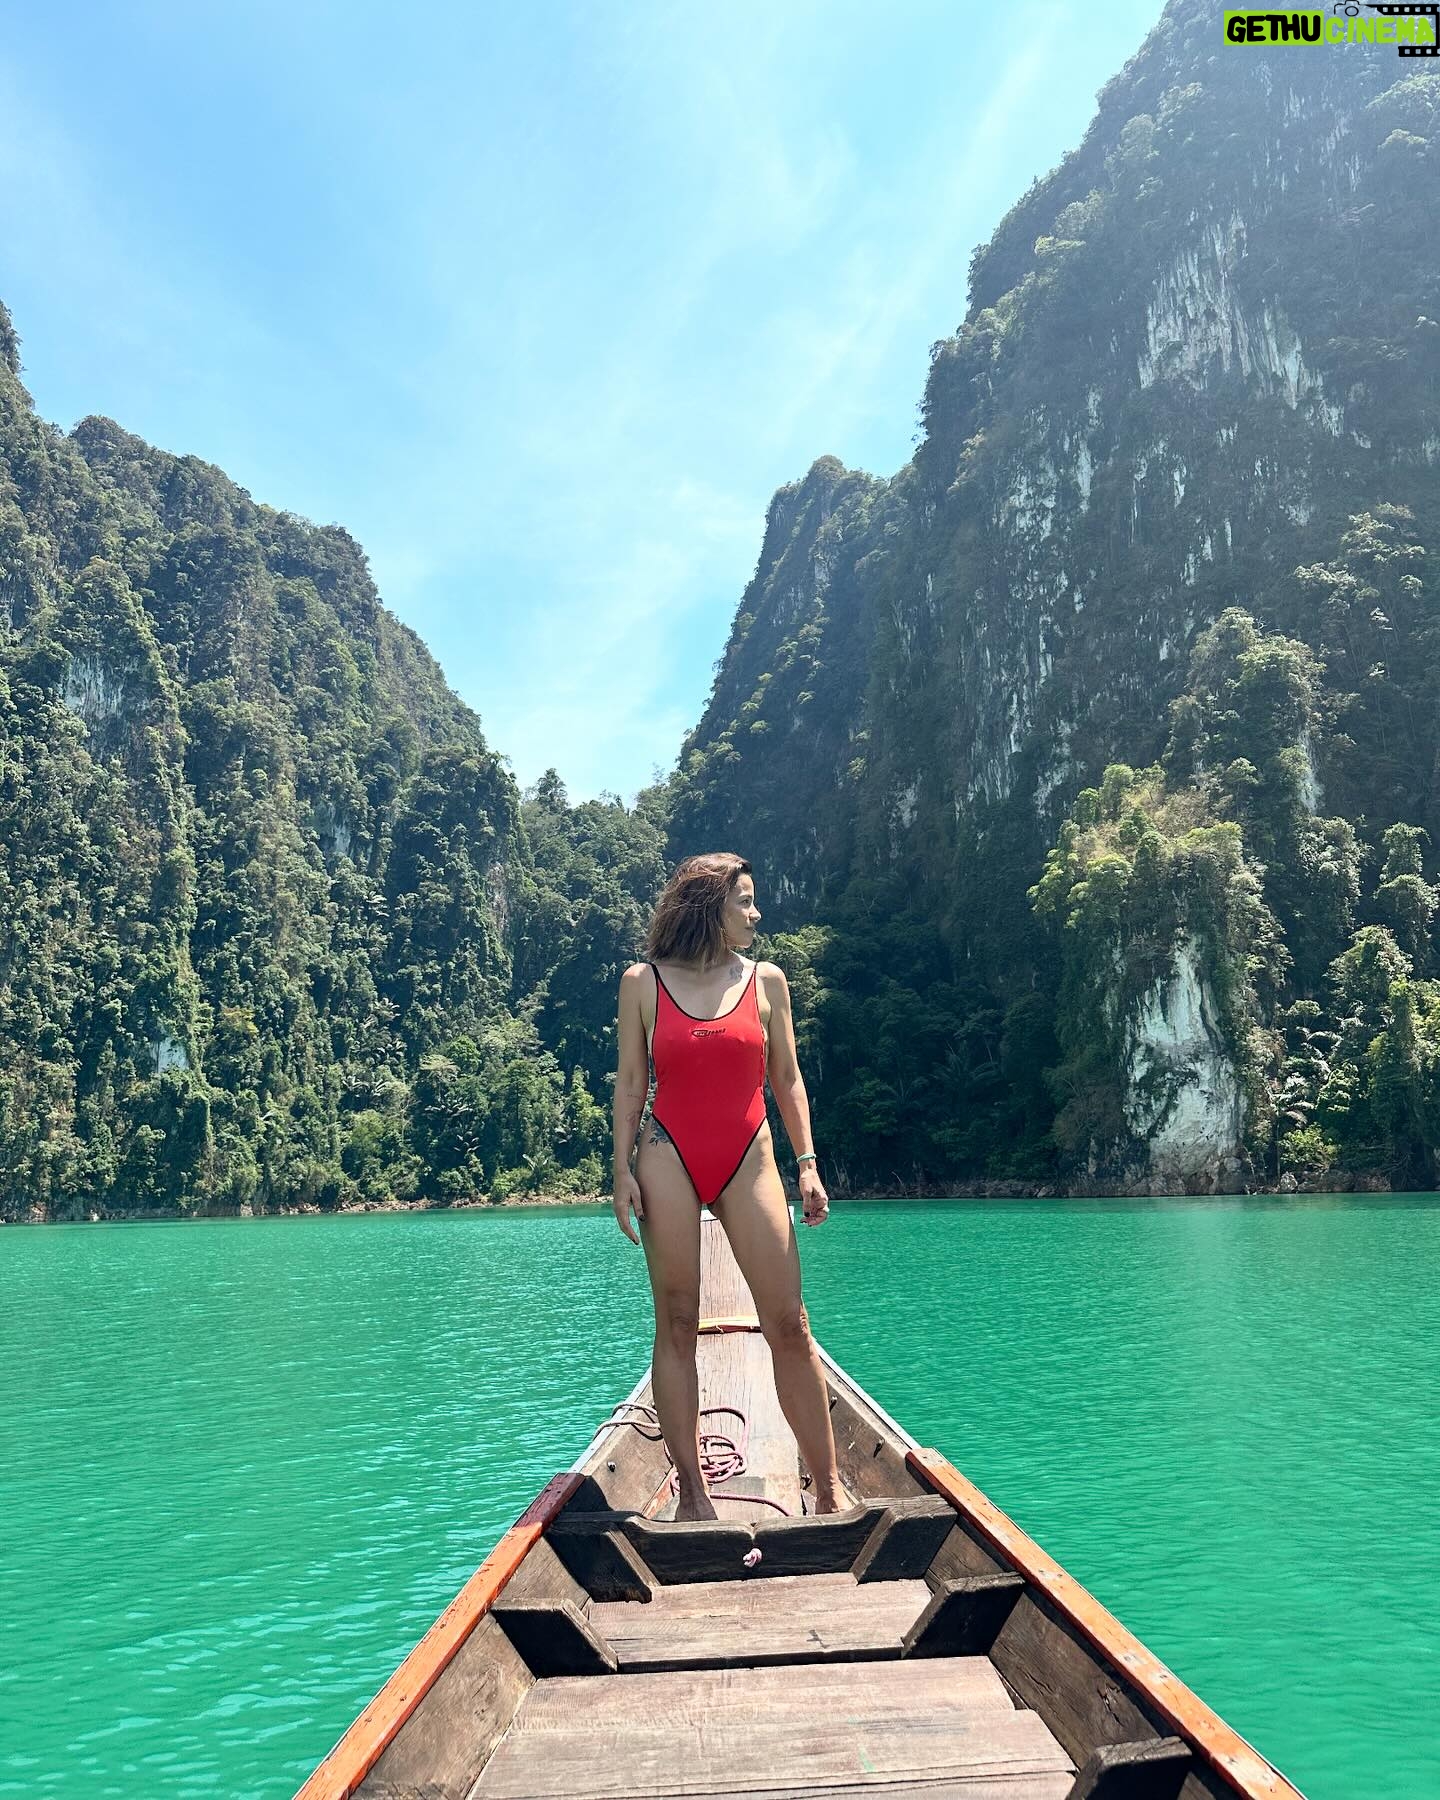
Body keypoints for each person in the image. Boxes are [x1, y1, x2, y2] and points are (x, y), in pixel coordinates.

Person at [612, 851, 847, 1521]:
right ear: (709, 907)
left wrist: (807, 1163)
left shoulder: (767, 980)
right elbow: (631, 1083)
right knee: (676, 1322)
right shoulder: (643, 983)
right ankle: (693, 1494)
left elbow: (787, 1079)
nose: (756, 913)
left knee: (789, 1323)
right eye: (744, 900)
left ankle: (829, 1490)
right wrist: (621, 1170)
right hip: (668, 1153)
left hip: (750, 1155)